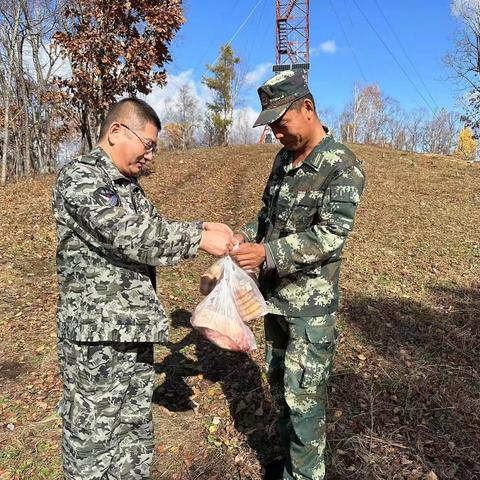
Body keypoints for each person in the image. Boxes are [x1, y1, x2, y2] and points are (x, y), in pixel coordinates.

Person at [52, 97, 233, 480]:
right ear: (117, 132)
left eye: (154, 148)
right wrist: (199, 236)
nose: (151, 156)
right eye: (148, 144)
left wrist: (207, 231)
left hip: (132, 333)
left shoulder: (128, 187)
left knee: (132, 435)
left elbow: (156, 228)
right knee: (93, 441)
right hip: (95, 340)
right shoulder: (81, 177)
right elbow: (131, 235)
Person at [230, 70, 366, 480]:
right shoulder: (283, 161)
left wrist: (267, 253)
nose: (275, 132)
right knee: (281, 393)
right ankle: (291, 466)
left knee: (305, 402)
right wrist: (245, 237)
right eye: (269, 125)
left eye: (279, 122)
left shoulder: (342, 166)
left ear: (307, 108)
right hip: (275, 302)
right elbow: (265, 216)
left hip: (310, 311)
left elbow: (330, 235)